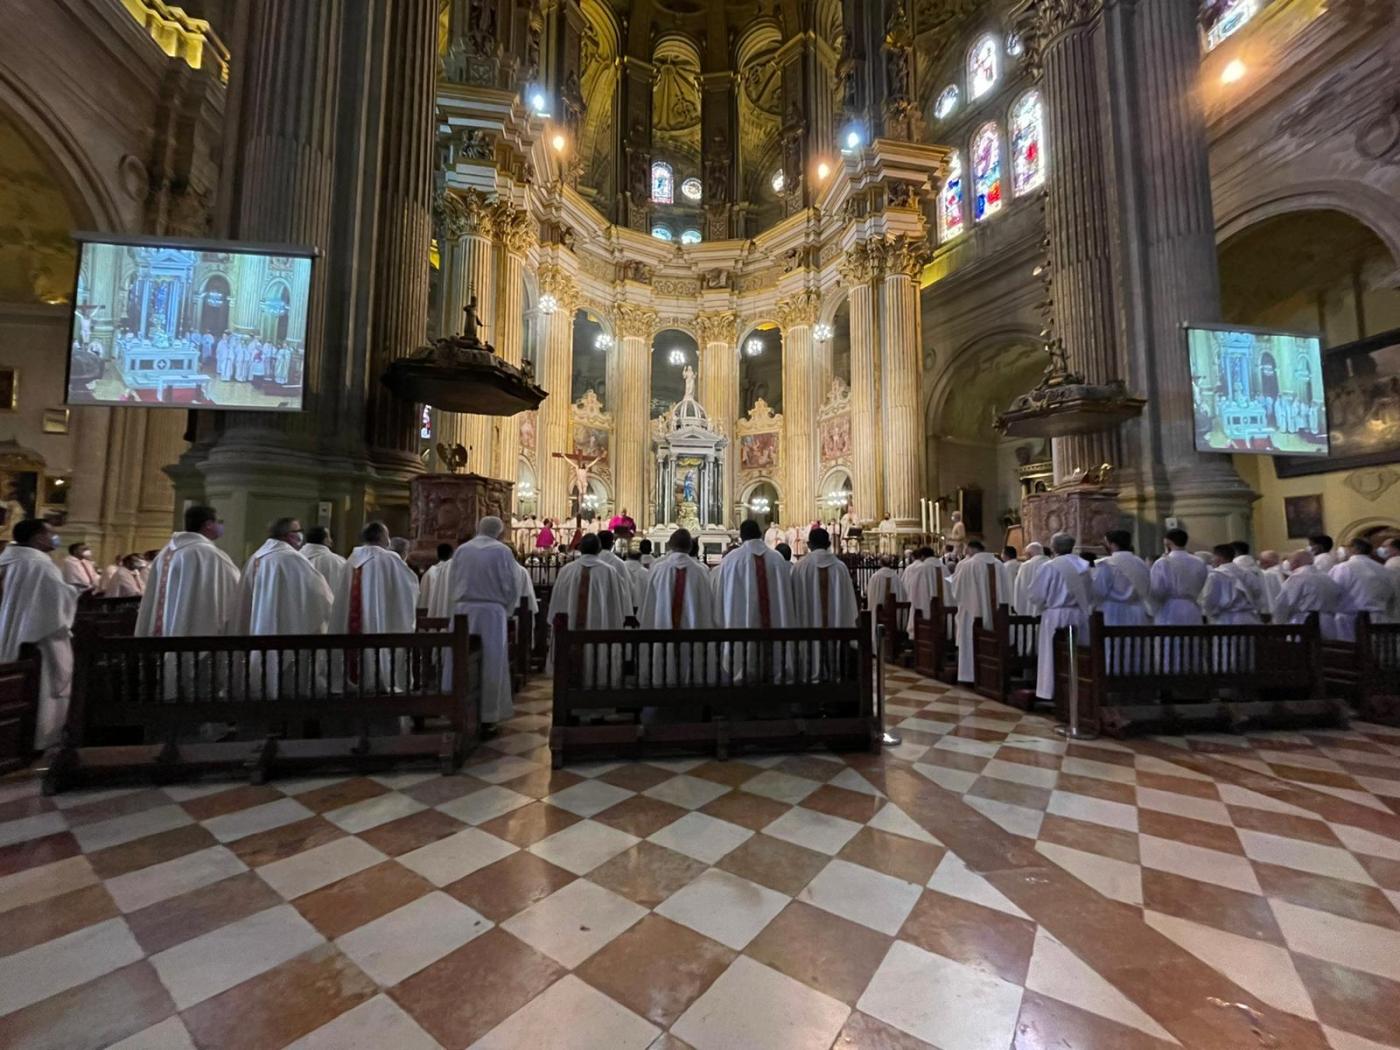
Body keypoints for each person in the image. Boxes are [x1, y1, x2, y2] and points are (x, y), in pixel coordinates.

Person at [0, 519, 77, 749]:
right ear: (37, 537)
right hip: (36, 636)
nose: (55, 537)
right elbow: (57, 601)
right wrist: (73, 593)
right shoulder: (40, 565)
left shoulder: (6, 559)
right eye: (50, 533)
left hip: (7, 632)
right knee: (42, 688)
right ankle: (38, 740)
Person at [450, 516, 524, 725]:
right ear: (500, 532)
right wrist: (507, 610)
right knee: (492, 659)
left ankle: (459, 711)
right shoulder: (502, 551)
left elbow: (453, 580)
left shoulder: (462, 550)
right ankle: (488, 714)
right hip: (492, 612)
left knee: (461, 657)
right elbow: (510, 585)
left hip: (463, 610)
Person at [333, 522, 419, 689]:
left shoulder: (350, 561)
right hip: (380, 622)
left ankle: (355, 683)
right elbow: (408, 588)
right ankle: (380, 682)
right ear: (381, 537)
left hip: (352, 629)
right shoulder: (390, 559)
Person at [137, 504, 241, 641]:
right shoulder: (207, 554)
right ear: (208, 525)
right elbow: (237, 588)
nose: (221, 526)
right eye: (218, 522)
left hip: (164, 629)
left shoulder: (165, 553)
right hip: (192, 631)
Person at [714, 518, 796, 680]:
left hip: (740, 626)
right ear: (760, 534)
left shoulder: (731, 560)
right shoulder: (777, 559)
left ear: (741, 536)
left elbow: (720, 597)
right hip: (774, 628)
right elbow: (786, 598)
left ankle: (740, 675)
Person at [231, 517, 334, 644]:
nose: (301, 535)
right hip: (283, 628)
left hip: (257, 628)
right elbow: (320, 594)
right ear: (290, 535)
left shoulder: (256, 557)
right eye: (299, 530)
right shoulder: (292, 558)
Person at [546, 533, 627, 680]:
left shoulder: (566, 570)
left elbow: (557, 602)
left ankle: (570, 686)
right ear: (599, 549)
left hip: (570, 629)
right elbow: (617, 605)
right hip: (600, 629)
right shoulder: (609, 571)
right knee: (599, 661)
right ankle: (599, 684)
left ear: (580, 548)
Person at [1028, 533, 1093, 702]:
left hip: (1055, 616)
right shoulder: (1084, 565)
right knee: (1078, 654)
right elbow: (1090, 593)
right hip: (1078, 614)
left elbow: (1036, 594)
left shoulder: (1050, 567)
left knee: (1052, 654)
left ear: (1054, 547)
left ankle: (1052, 691)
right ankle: (1080, 693)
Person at [791, 527, 858, 677]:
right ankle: (836, 675)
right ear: (829, 543)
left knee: (809, 654)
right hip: (836, 628)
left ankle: (810, 676)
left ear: (808, 544)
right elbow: (850, 603)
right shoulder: (840, 568)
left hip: (807, 627)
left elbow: (793, 601)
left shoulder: (799, 567)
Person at [951, 540, 1008, 683]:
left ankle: (970, 676)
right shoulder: (999, 564)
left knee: (970, 641)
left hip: (972, 613)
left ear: (970, 549)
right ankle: (993, 677)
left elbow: (957, 592)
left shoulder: (967, 565)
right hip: (997, 614)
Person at [1329, 537, 1395, 640]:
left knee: (1354, 652)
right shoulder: (1382, 568)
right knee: (1376, 652)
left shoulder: (1344, 567)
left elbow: (1332, 592)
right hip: (1380, 620)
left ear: (1354, 549)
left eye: (1347, 547)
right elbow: (1391, 592)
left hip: (1351, 621)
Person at [1273, 549, 1342, 639]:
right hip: (1329, 624)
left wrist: (1278, 624)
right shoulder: (1327, 577)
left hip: (1305, 624)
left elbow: (1283, 603)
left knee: (1302, 652)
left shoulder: (1297, 577)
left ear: (1295, 563)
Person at [1150, 528, 1207, 625]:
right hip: (1192, 607)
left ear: (1168, 542)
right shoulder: (1199, 562)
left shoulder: (1163, 562)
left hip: (1169, 609)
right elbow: (1202, 583)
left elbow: (1157, 590)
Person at [1097, 531, 1151, 625]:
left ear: (1112, 545)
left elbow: (1099, 591)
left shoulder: (1106, 564)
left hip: (1114, 612)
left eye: (1106, 543)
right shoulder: (1140, 563)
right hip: (1138, 611)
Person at [1202, 544, 1260, 625]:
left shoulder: (1215, 575)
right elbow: (1257, 593)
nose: (1212, 560)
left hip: (1227, 619)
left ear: (1219, 558)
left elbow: (1209, 598)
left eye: (1213, 557)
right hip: (1249, 617)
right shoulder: (1247, 573)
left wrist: (1209, 613)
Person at [865, 554, 907, 646]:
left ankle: (877, 646)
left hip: (879, 613)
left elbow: (869, 593)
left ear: (880, 563)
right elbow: (903, 595)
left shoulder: (875, 577)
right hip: (894, 614)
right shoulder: (896, 578)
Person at [1229, 541, 1271, 617]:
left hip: (1239, 611)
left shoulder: (1235, 568)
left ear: (1235, 551)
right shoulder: (1255, 566)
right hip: (1259, 608)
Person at [303, 526, 348, 596]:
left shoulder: (296, 558)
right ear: (325, 540)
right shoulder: (338, 561)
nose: (331, 541)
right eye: (329, 537)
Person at [418, 542, 456, 618]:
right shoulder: (453, 572)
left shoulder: (428, 573)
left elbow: (423, 599)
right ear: (452, 554)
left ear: (438, 555)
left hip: (429, 617)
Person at [1012, 542, 1049, 616]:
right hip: (1048, 609)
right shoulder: (1051, 564)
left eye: (1026, 554)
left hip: (1028, 609)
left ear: (1029, 554)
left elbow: (1019, 588)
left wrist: (1017, 606)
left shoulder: (1025, 566)